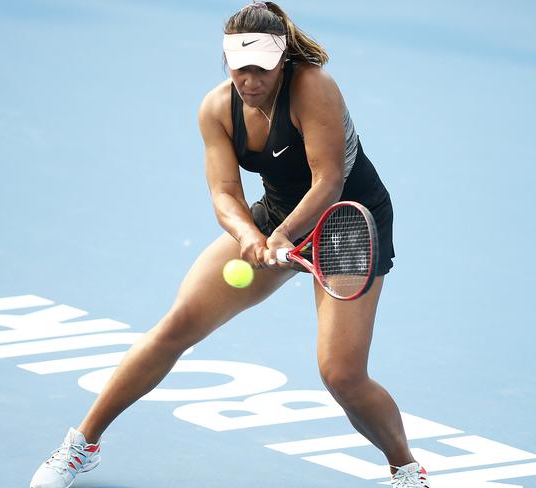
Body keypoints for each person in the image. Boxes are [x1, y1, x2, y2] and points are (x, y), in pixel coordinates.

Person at [30, 2, 430, 487]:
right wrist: (250, 236)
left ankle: (406, 469)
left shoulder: (314, 88)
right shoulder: (217, 108)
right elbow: (223, 193)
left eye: (261, 67)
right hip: (279, 215)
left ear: (282, 58)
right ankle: (82, 445)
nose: (250, 79)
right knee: (176, 325)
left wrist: (281, 237)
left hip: (347, 224)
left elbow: (328, 179)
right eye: (240, 67)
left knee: (341, 375)